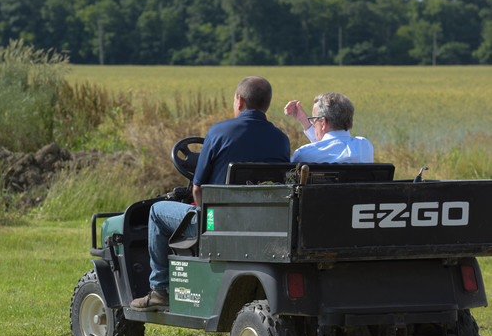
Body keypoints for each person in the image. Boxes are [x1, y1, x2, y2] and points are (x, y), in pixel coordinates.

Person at [130, 76, 291, 311]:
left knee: (156, 211)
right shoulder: (281, 139)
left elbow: (197, 187)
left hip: (219, 225)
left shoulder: (219, 132)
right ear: (267, 104)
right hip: (261, 224)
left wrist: (204, 217)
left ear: (240, 101)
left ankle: (160, 290)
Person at [284, 92, 373, 163]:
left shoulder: (303, 155)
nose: (313, 124)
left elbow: (321, 147)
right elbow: (327, 144)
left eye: (314, 120)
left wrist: (303, 119)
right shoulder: (364, 146)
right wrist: (303, 119)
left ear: (323, 123)